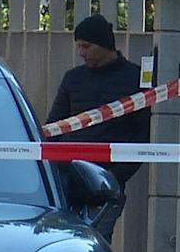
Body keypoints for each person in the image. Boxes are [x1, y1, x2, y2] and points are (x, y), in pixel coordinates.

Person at [45, 13, 151, 198]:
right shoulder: (73, 78)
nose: (81, 53)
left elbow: (142, 135)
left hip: (108, 178)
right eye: (79, 46)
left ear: (104, 45)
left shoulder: (135, 78)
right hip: (66, 176)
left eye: (86, 46)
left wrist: (115, 178)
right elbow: (54, 126)